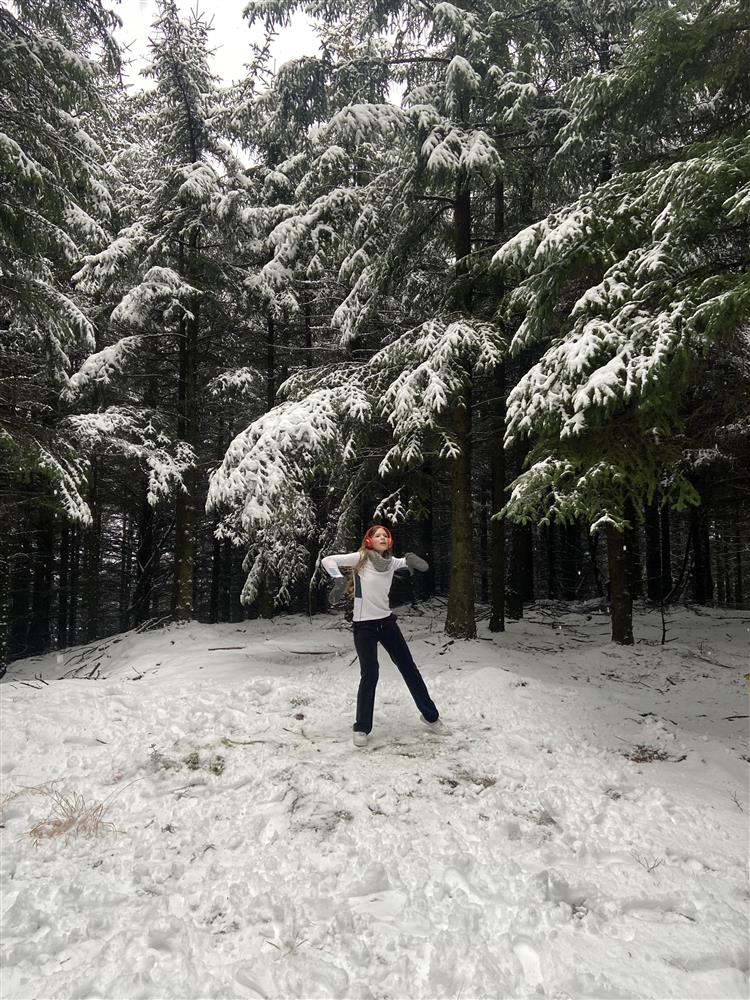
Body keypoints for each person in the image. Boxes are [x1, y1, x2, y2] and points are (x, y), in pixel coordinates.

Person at [321, 524, 445, 748]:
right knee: (370, 674)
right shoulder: (361, 558)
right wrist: (338, 580)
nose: (382, 538)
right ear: (369, 541)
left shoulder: (391, 562)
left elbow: (412, 564)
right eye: (377, 535)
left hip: (387, 623)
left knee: (409, 668)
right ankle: (361, 727)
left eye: (385, 535)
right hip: (364, 626)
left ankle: (431, 717)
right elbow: (327, 560)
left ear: (390, 542)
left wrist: (411, 559)